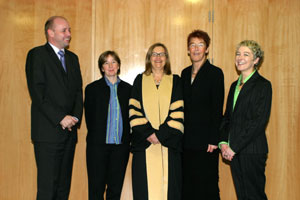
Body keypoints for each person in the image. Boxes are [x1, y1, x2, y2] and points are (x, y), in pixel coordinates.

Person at [25, 16, 83, 200]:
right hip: (48, 134)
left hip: (69, 133)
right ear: (50, 33)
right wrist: (60, 118)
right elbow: (38, 93)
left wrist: (74, 117)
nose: (69, 34)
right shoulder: (37, 55)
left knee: (62, 189)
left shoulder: (73, 58)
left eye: (69, 30)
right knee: (47, 189)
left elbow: (77, 93)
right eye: (64, 30)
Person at [129, 43, 184, 200]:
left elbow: (178, 111)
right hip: (144, 145)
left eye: (162, 54)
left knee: (171, 191)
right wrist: (149, 134)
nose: (158, 58)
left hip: (168, 144)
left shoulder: (175, 81)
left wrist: (160, 135)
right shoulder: (140, 80)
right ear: (149, 58)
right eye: (154, 54)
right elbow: (134, 109)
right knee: (144, 191)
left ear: (166, 58)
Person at [219, 40, 272, 200]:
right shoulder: (234, 85)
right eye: (238, 54)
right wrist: (223, 143)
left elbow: (258, 122)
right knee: (242, 196)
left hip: (252, 151)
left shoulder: (263, 85)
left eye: (246, 54)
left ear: (256, 60)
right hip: (234, 152)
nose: (240, 58)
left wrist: (234, 147)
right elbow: (227, 117)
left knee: (254, 196)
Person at [181, 30, 224, 200]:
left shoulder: (215, 73)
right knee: (188, 185)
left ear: (207, 49)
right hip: (186, 141)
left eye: (200, 45)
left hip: (207, 142)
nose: (196, 49)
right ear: (188, 49)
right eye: (193, 45)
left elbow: (217, 108)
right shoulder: (184, 74)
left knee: (207, 186)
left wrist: (214, 139)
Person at [84, 51, 131, 200]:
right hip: (97, 148)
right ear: (101, 67)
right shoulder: (92, 89)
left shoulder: (129, 90)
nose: (110, 66)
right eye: (106, 62)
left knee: (115, 190)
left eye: (113, 62)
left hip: (120, 148)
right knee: (96, 190)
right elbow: (89, 119)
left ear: (118, 66)